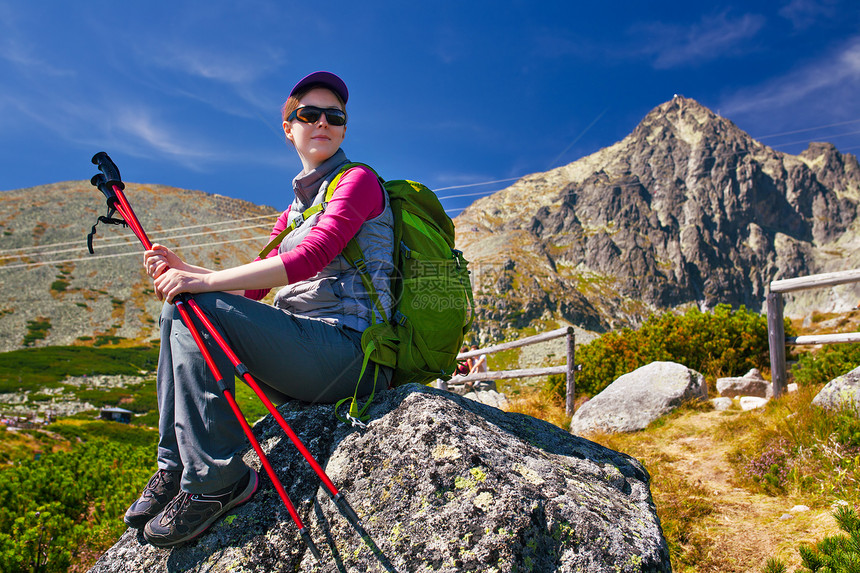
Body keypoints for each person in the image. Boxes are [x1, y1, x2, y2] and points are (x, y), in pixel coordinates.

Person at [123, 71, 395, 547]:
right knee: (182, 310)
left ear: (345, 129)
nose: (323, 123)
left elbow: (308, 259)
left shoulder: (358, 182)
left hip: (355, 354)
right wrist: (186, 272)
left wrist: (201, 282)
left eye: (336, 116)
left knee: (197, 304)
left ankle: (219, 482)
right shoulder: (292, 213)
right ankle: (176, 467)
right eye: (309, 114)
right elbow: (252, 290)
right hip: (308, 355)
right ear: (289, 128)